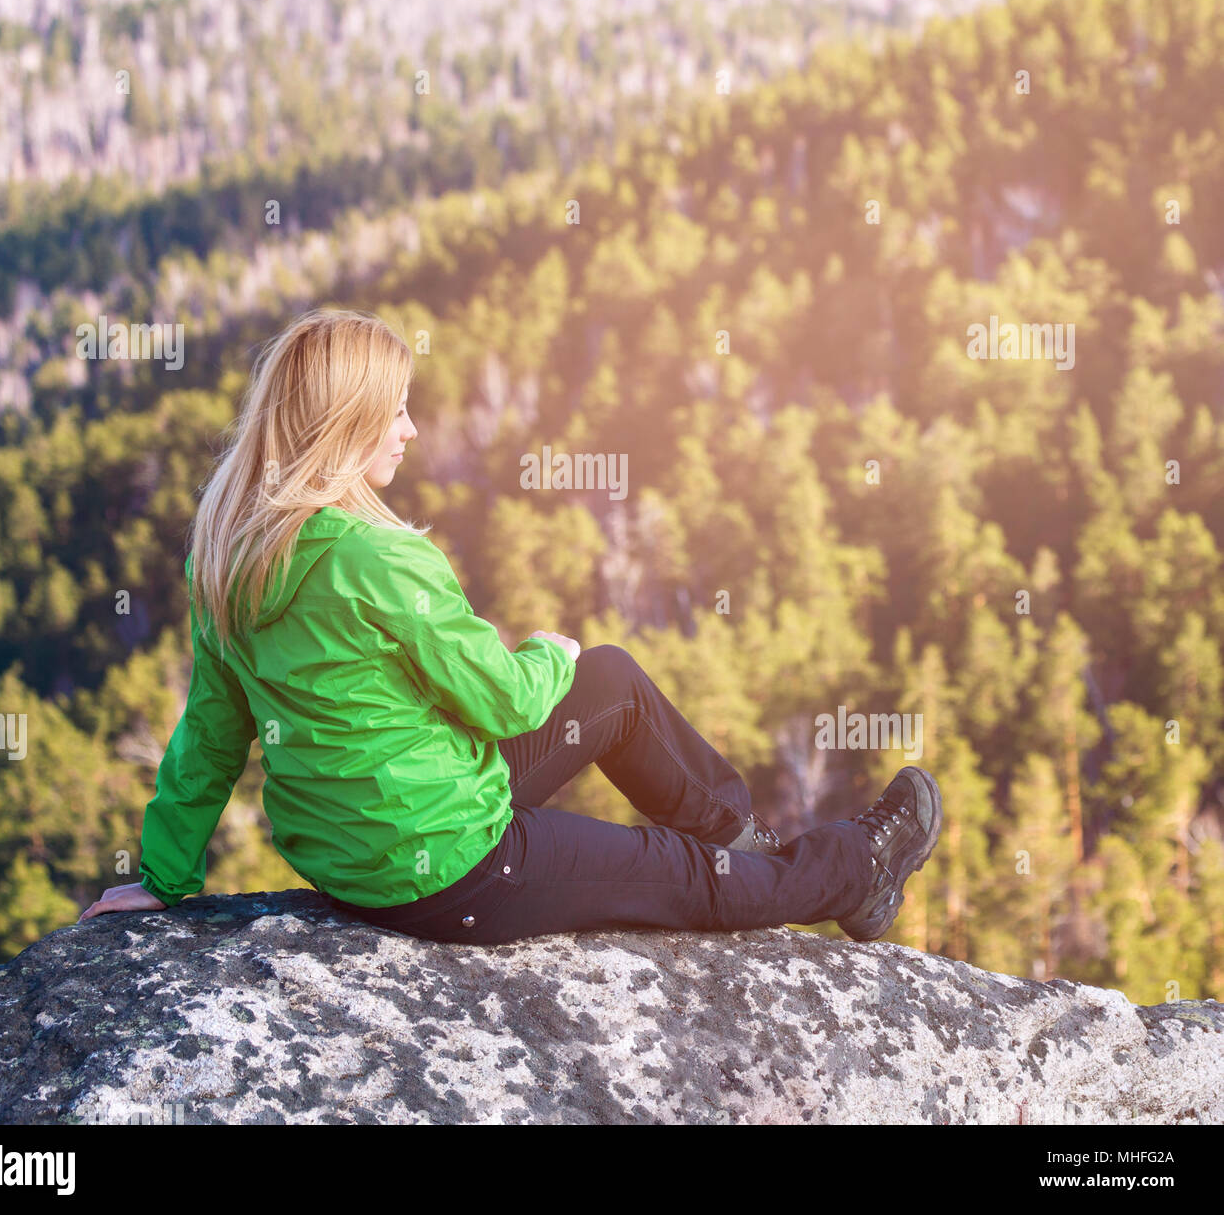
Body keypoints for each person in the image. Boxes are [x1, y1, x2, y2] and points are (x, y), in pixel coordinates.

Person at [78, 308, 943, 945]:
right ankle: (854, 869)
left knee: (611, 683)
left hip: (354, 850)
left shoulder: (229, 555)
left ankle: (747, 841)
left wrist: (162, 876)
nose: (412, 430)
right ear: (343, 428)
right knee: (681, 875)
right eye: (397, 412)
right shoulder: (377, 560)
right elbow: (503, 705)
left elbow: (212, 733)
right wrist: (543, 653)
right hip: (449, 869)